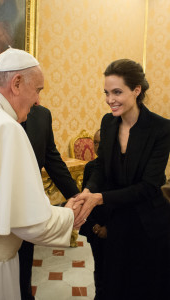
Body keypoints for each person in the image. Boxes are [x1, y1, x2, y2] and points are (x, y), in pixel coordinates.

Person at [0, 48, 84, 300]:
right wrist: (71, 216)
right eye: (38, 90)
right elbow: (32, 223)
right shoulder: (5, 127)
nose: (38, 101)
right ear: (17, 83)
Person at [74, 59, 170, 300]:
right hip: (117, 223)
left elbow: (149, 186)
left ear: (136, 90)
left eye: (117, 92)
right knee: (112, 286)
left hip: (149, 225)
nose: (110, 100)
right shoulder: (108, 123)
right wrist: (88, 190)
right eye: (106, 93)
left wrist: (100, 198)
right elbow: (100, 169)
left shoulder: (161, 129)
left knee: (144, 288)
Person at [19, 105, 80, 300]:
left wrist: (76, 198)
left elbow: (52, 158)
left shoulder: (42, 115)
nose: (38, 98)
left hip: (28, 208)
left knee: (23, 268)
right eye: (36, 90)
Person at [80, 129, 108, 300]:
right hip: (95, 228)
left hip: (114, 227)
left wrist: (109, 227)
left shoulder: (120, 169)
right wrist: (92, 225)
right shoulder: (90, 167)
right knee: (100, 266)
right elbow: (85, 199)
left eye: (102, 142)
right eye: (95, 142)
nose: (98, 146)